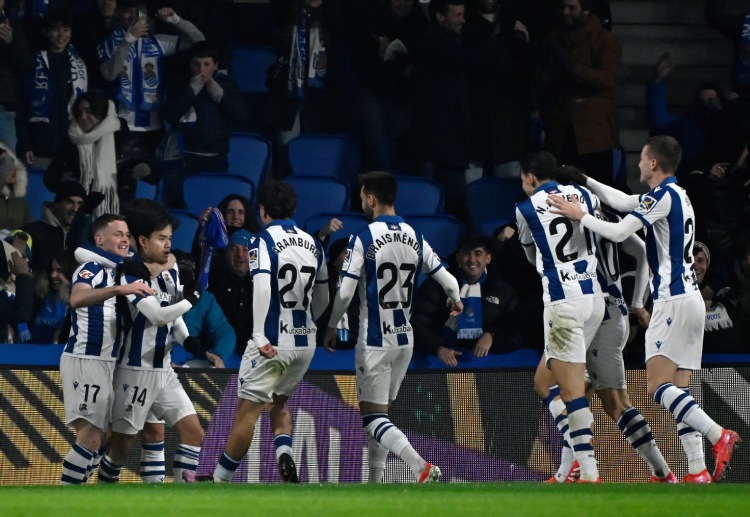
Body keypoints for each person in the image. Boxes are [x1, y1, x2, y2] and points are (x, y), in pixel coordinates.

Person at [547, 135, 741, 483]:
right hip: (691, 301)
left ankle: (717, 434)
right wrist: (585, 180)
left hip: (672, 300)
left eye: (642, 159)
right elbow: (623, 201)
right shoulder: (676, 194)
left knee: (658, 387)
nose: (637, 164)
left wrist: (581, 215)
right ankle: (697, 469)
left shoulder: (663, 196)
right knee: (680, 390)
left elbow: (620, 231)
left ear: (653, 163)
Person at [323, 170, 463, 483]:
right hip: (404, 341)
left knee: (373, 419)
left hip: (375, 341)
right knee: (382, 418)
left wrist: (332, 325)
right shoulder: (415, 236)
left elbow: (345, 292)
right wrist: (455, 300)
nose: (361, 203)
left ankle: (420, 467)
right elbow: (451, 282)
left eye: (362, 197)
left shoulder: (364, 237)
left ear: (371, 198)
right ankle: (376, 482)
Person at [206, 180, 329, 483]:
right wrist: (310, 322)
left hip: (272, 340)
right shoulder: (313, 243)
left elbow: (261, 287)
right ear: (294, 210)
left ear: (262, 210)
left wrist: (259, 333)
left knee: (247, 413)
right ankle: (284, 453)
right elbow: (325, 296)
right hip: (304, 343)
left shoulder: (261, 241)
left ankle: (219, 480)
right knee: (278, 403)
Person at [98, 199, 205, 484]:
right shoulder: (130, 274)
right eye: (161, 238)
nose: (168, 245)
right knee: (121, 447)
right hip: (134, 372)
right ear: (143, 241)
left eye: (170, 238)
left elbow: (172, 316)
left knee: (194, 433)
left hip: (164, 371)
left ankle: (180, 498)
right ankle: (103, 490)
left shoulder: (171, 272)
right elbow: (157, 316)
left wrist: (188, 340)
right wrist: (192, 299)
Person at [515, 150, 605, 483]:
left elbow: (531, 254)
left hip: (563, 303)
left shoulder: (525, 209)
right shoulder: (584, 194)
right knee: (544, 382)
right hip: (594, 298)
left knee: (570, 393)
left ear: (529, 177)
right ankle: (570, 465)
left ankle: (589, 472)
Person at [59, 213, 155, 485]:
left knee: (105, 437)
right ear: (99, 239)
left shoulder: (119, 271)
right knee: (90, 437)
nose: (124, 239)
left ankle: (80, 488)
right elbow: (77, 297)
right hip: (85, 358)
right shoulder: (91, 268)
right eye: (117, 234)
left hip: (108, 363)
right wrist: (118, 290)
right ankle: (66, 497)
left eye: (126, 235)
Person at [97, 1, 205, 157]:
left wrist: (175, 20)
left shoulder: (157, 42)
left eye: (138, 12)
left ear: (145, 16)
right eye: (128, 11)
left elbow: (199, 42)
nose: (133, 17)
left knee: (153, 171)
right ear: (119, 13)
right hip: (122, 125)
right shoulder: (108, 42)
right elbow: (109, 74)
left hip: (155, 126)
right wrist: (129, 39)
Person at [540, 0, 621, 184]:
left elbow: (607, 78)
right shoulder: (554, 39)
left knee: (599, 189)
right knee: (562, 189)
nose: (565, 12)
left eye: (571, 8)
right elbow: (544, 80)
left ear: (585, 10)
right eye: (562, 6)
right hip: (561, 129)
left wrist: (573, 68)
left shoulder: (605, 40)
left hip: (594, 132)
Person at [413, 234, 523, 365]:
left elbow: (516, 329)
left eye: (478, 253)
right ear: (458, 258)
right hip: (442, 359)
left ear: (488, 258)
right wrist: (438, 348)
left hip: (486, 362)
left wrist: (492, 335)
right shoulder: (439, 283)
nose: (472, 260)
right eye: (466, 253)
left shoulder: (502, 289)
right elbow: (418, 322)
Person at [161, 40, 248, 175]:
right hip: (186, 154)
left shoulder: (226, 83)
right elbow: (170, 116)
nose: (201, 70)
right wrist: (191, 91)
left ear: (215, 66)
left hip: (217, 155)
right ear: (190, 65)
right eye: (196, 64)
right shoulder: (181, 85)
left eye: (206, 64)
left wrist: (221, 97)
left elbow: (242, 115)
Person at [17, 8, 87, 169]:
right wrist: (25, 144)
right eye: (55, 29)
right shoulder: (32, 61)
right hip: (37, 147)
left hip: (68, 147)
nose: (61, 35)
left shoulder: (78, 63)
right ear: (45, 32)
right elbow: (21, 107)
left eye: (66, 30)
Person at [45, 90, 122, 217]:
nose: (83, 117)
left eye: (88, 111)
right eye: (79, 112)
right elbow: (50, 177)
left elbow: (143, 165)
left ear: (101, 112)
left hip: (113, 209)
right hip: (75, 211)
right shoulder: (70, 141)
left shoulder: (120, 137)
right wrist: (60, 179)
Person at [206, 228, 254, 358]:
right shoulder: (213, 281)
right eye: (234, 249)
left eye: (245, 250)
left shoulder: (264, 283)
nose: (240, 255)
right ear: (226, 253)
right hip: (218, 350)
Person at [20, 179, 86, 272]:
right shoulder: (31, 232)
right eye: (69, 202)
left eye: (80, 203)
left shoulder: (85, 236)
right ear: (57, 204)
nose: (75, 208)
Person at [0, 0, 34, 151]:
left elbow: (26, 66)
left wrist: (10, 42)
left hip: (4, 110)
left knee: (7, 162)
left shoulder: (13, 24)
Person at [30, 248, 77, 343]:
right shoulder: (40, 294)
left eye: (59, 270)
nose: (53, 275)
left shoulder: (81, 302)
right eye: (52, 270)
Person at [0, 144, 32, 233]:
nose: (13, 170)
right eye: (5, 166)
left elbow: (29, 229)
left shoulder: (20, 201)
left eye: (13, 165)